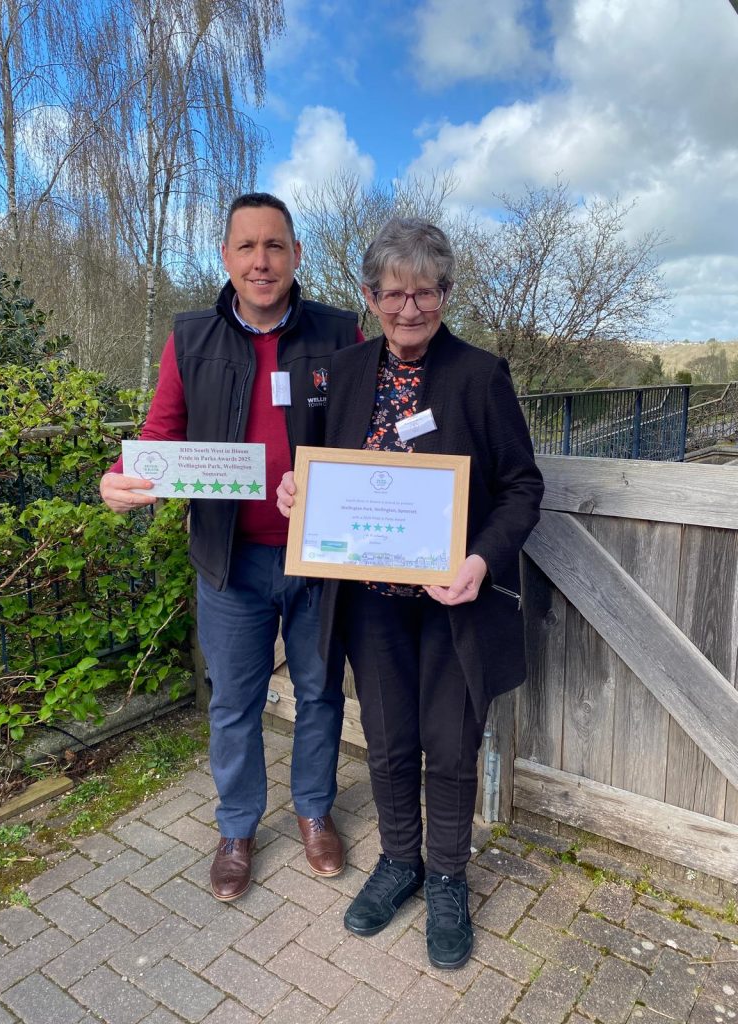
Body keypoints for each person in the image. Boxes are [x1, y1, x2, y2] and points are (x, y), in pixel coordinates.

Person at [277, 217, 543, 969]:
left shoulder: (480, 374)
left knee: (453, 746)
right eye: (394, 294)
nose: (409, 310)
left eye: (425, 293)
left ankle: (450, 877)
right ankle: (400, 863)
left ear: (446, 293)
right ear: (369, 296)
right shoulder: (345, 371)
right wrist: (300, 489)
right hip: (369, 601)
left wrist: (484, 561)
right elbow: (319, 469)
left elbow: (523, 488)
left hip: (455, 602)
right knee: (389, 740)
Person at [100, 192, 361, 902]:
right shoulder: (190, 338)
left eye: (274, 246)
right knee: (234, 703)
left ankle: (313, 812)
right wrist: (123, 479)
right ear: (225, 258)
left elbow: (365, 437)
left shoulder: (343, 333)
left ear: (296, 255)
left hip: (320, 557)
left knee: (319, 694)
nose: (261, 260)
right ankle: (238, 828)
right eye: (246, 247)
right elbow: (160, 436)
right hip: (229, 562)